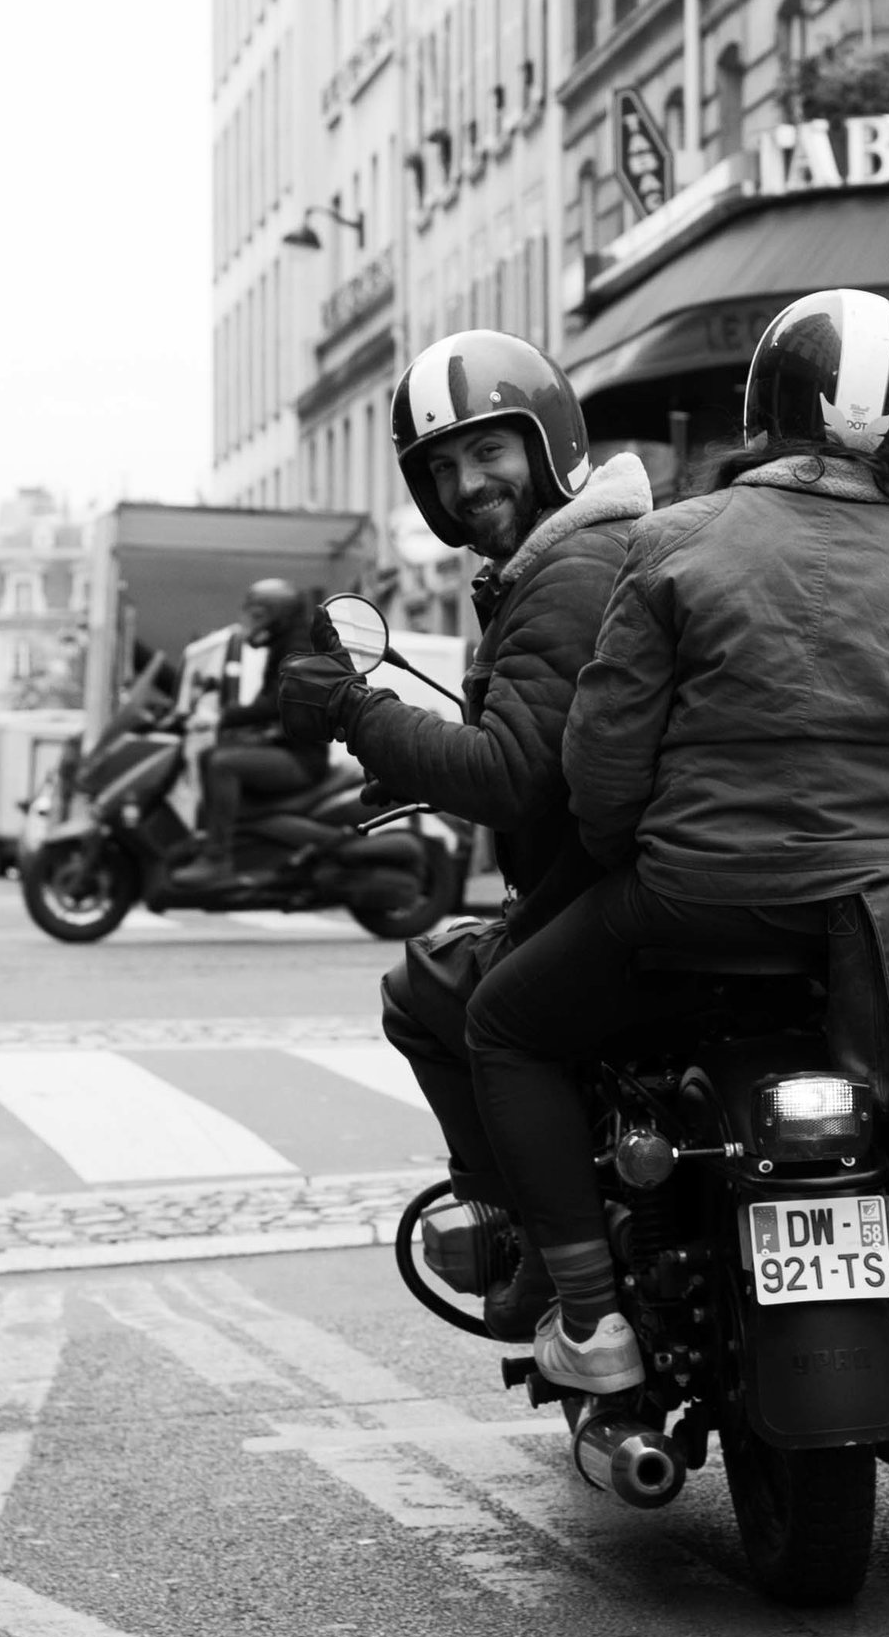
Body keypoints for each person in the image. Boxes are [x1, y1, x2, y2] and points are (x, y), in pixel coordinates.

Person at [461, 286, 889, 1400]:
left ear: (761, 406)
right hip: (877, 917)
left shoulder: (673, 543)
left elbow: (602, 768)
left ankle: (588, 1316)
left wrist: (644, 858)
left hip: (689, 901)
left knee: (500, 1024)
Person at [277, 329, 655, 1327]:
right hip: (654, 876)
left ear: (549, 442)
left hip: (617, 891)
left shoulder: (570, 574)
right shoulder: (594, 555)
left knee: (442, 994)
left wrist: (356, 712)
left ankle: (557, 1262)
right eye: (442, 468)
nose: (468, 483)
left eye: (489, 452)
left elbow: (508, 775)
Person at [193, 579, 330, 891]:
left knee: (221, 764)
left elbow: (275, 704)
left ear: (277, 615)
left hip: (301, 758)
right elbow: (268, 703)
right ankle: (242, 839)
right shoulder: (285, 644)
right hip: (287, 747)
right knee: (211, 755)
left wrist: (225, 716)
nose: (252, 624)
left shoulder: (296, 649)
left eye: (258, 616)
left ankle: (217, 858)